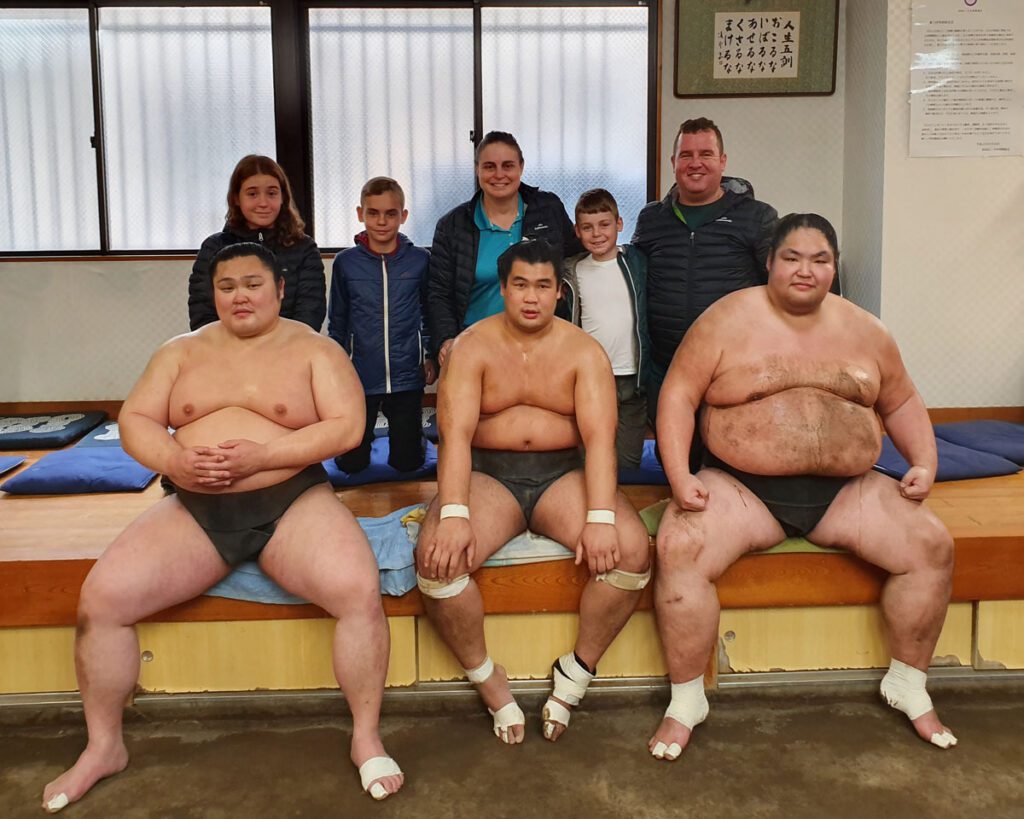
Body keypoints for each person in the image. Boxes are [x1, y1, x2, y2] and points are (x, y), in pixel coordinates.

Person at [42, 244, 403, 813]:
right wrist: (172, 460)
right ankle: (104, 746)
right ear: (213, 294)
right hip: (197, 506)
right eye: (228, 286)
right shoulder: (180, 352)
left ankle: (366, 736)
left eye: (253, 284)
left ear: (280, 289)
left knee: (358, 591)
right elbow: (136, 419)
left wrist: (264, 457)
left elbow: (348, 427)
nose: (240, 296)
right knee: (102, 598)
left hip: (292, 500)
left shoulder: (314, 349)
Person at [649, 213, 956, 763]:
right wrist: (679, 476)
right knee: (679, 545)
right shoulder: (725, 319)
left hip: (848, 491)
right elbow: (678, 395)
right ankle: (686, 699)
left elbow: (902, 401)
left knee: (931, 545)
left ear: (835, 268)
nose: (805, 270)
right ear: (769, 261)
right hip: (742, 490)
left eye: (820, 260)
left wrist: (924, 462)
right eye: (792, 257)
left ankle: (909, 682)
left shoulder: (866, 329)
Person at [415, 240, 651, 745]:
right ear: (502, 289)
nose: (531, 297)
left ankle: (577, 671)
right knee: (437, 559)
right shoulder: (472, 347)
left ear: (559, 293)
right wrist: (454, 512)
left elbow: (599, 439)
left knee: (631, 550)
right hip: (489, 475)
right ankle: (488, 680)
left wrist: (602, 518)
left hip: (562, 474)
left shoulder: (583, 352)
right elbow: (454, 436)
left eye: (543, 286)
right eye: (520, 284)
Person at [631, 117, 777, 438]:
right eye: (686, 155)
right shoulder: (651, 218)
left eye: (706, 154)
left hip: (733, 369)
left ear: (723, 162)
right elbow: (633, 282)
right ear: (673, 163)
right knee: (674, 456)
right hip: (665, 367)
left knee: (731, 455)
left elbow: (779, 289)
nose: (695, 163)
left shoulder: (757, 217)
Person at [427, 131, 583, 369]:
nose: (499, 175)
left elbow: (577, 258)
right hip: (477, 350)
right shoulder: (452, 226)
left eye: (507, 165)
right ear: (477, 169)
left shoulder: (548, 208)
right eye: (489, 166)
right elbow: (439, 293)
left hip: (544, 349)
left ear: (521, 167)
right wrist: (446, 339)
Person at [328, 177, 437, 473]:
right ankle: (362, 443)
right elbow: (337, 320)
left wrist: (428, 354)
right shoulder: (345, 263)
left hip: (406, 374)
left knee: (407, 464)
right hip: (360, 374)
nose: (382, 221)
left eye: (391, 214)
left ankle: (415, 439)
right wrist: (336, 366)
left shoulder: (419, 260)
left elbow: (429, 312)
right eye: (373, 213)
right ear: (360, 213)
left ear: (403, 216)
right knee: (351, 464)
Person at [562, 188, 650, 469]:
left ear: (619, 224)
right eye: (587, 227)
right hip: (595, 376)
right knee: (593, 457)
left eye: (604, 225)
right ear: (577, 231)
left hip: (634, 378)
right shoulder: (572, 271)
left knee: (627, 463)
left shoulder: (637, 262)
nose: (597, 234)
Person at [188, 154, 326, 332]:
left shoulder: (304, 247)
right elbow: (202, 312)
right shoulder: (214, 247)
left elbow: (310, 311)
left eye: (272, 193)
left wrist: (282, 346)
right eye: (252, 194)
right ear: (236, 198)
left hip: (289, 350)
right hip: (227, 352)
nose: (263, 203)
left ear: (283, 196)